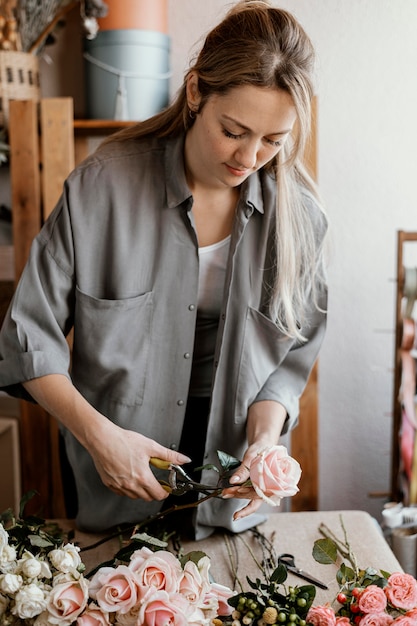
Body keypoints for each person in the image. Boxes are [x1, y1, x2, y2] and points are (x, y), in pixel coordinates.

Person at [0, 0, 328, 539]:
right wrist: (101, 438)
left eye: (273, 140)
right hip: (115, 465)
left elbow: (290, 363)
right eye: (234, 130)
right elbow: (27, 336)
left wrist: (265, 442)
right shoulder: (100, 189)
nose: (249, 158)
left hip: (235, 488)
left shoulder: (304, 221)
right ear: (197, 91)